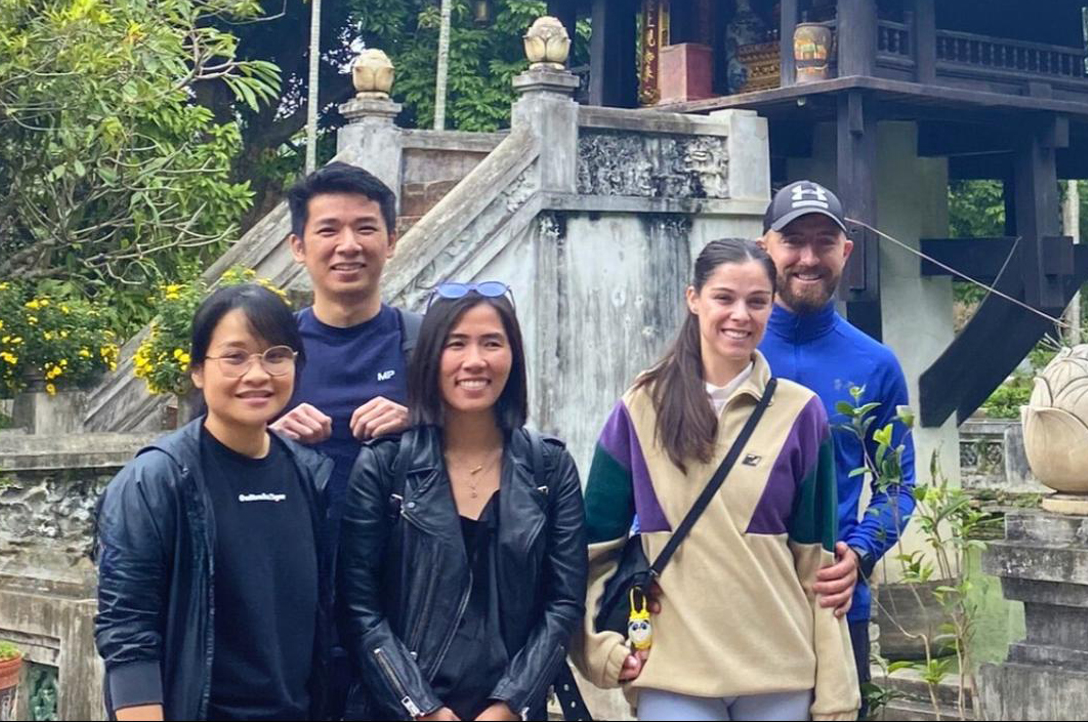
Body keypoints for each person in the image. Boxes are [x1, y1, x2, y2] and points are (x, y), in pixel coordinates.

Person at [575, 238, 859, 722]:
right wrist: (598, 651)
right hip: (674, 674)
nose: (740, 315)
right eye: (723, 298)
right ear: (693, 299)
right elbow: (589, 550)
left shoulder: (801, 413)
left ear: (773, 305)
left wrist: (836, 694)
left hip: (780, 671)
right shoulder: (641, 409)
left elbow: (817, 565)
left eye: (757, 301)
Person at [337, 284, 587, 721]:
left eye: (492, 342)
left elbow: (563, 602)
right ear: (431, 356)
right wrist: (421, 707)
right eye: (457, 343)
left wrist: (510, 703)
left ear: (513, 356)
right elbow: (359, 606)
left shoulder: (549, 468)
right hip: (403, 709)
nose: (475, 361)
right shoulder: (386, 465)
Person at [95, 284, 332, 720]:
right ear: (198, 370)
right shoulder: (154, 481)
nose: (258, 374)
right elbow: (127, 631)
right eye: (236, 357)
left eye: (276, 355)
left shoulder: (311, 474)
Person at [756, 180, 916, 703]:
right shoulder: (724, 354)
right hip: (733, 602)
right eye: (793, 241)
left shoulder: (875, 364)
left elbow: (899, 486)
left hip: (834, 603)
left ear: (845, 251)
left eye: (824, 242)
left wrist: (861, 554)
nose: (808, 258)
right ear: (765, 247)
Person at [273, 162, 418, 518]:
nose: (348, 245)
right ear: (298, 246)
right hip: (295, 557)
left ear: (391, 242)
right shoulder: (270, 352)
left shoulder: (427, 344)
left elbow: (486, 446)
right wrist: (269, 437)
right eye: (328, 230)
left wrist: (421, 423)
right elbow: (211, 448)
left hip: (404, 562)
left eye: (365, 228)